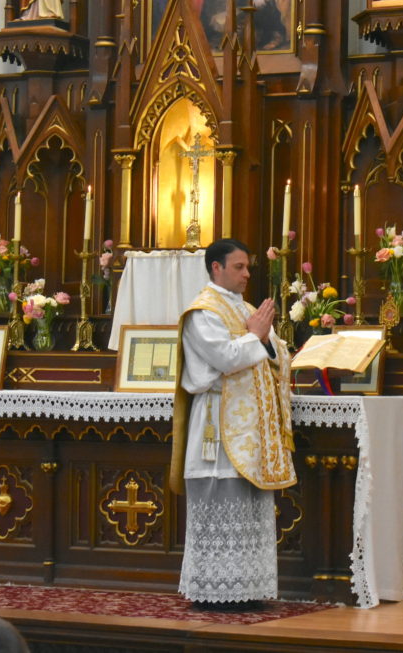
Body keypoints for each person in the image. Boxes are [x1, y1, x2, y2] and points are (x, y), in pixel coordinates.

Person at [169, 238, 298, 607]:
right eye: (239, 267)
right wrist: (255, 336)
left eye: (248, 267)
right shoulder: (202, 312)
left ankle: (248, 589)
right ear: (216, 268)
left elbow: (276, 352)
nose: (246, 274)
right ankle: (213, 591)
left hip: (251, 431)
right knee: (219, 500)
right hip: (216, 425)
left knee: (251, 507)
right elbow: (226, 358)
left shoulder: (247, 308)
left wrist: (266, 342)